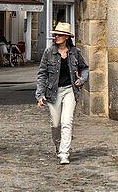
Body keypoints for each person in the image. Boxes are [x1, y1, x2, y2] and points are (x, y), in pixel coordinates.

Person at [35, 22, 88, 164]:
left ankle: (65, 153)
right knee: (55, 124)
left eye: (59, 35)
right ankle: (58, 147)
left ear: (66, 38)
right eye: (55, 35)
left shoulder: (75, 52)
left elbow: (85, 68)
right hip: (53, 92)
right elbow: (42, 74)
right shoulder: (49, 52)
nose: (56, 37)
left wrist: (81, 80)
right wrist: (40, 95)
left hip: (70, 90)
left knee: (67, 122)